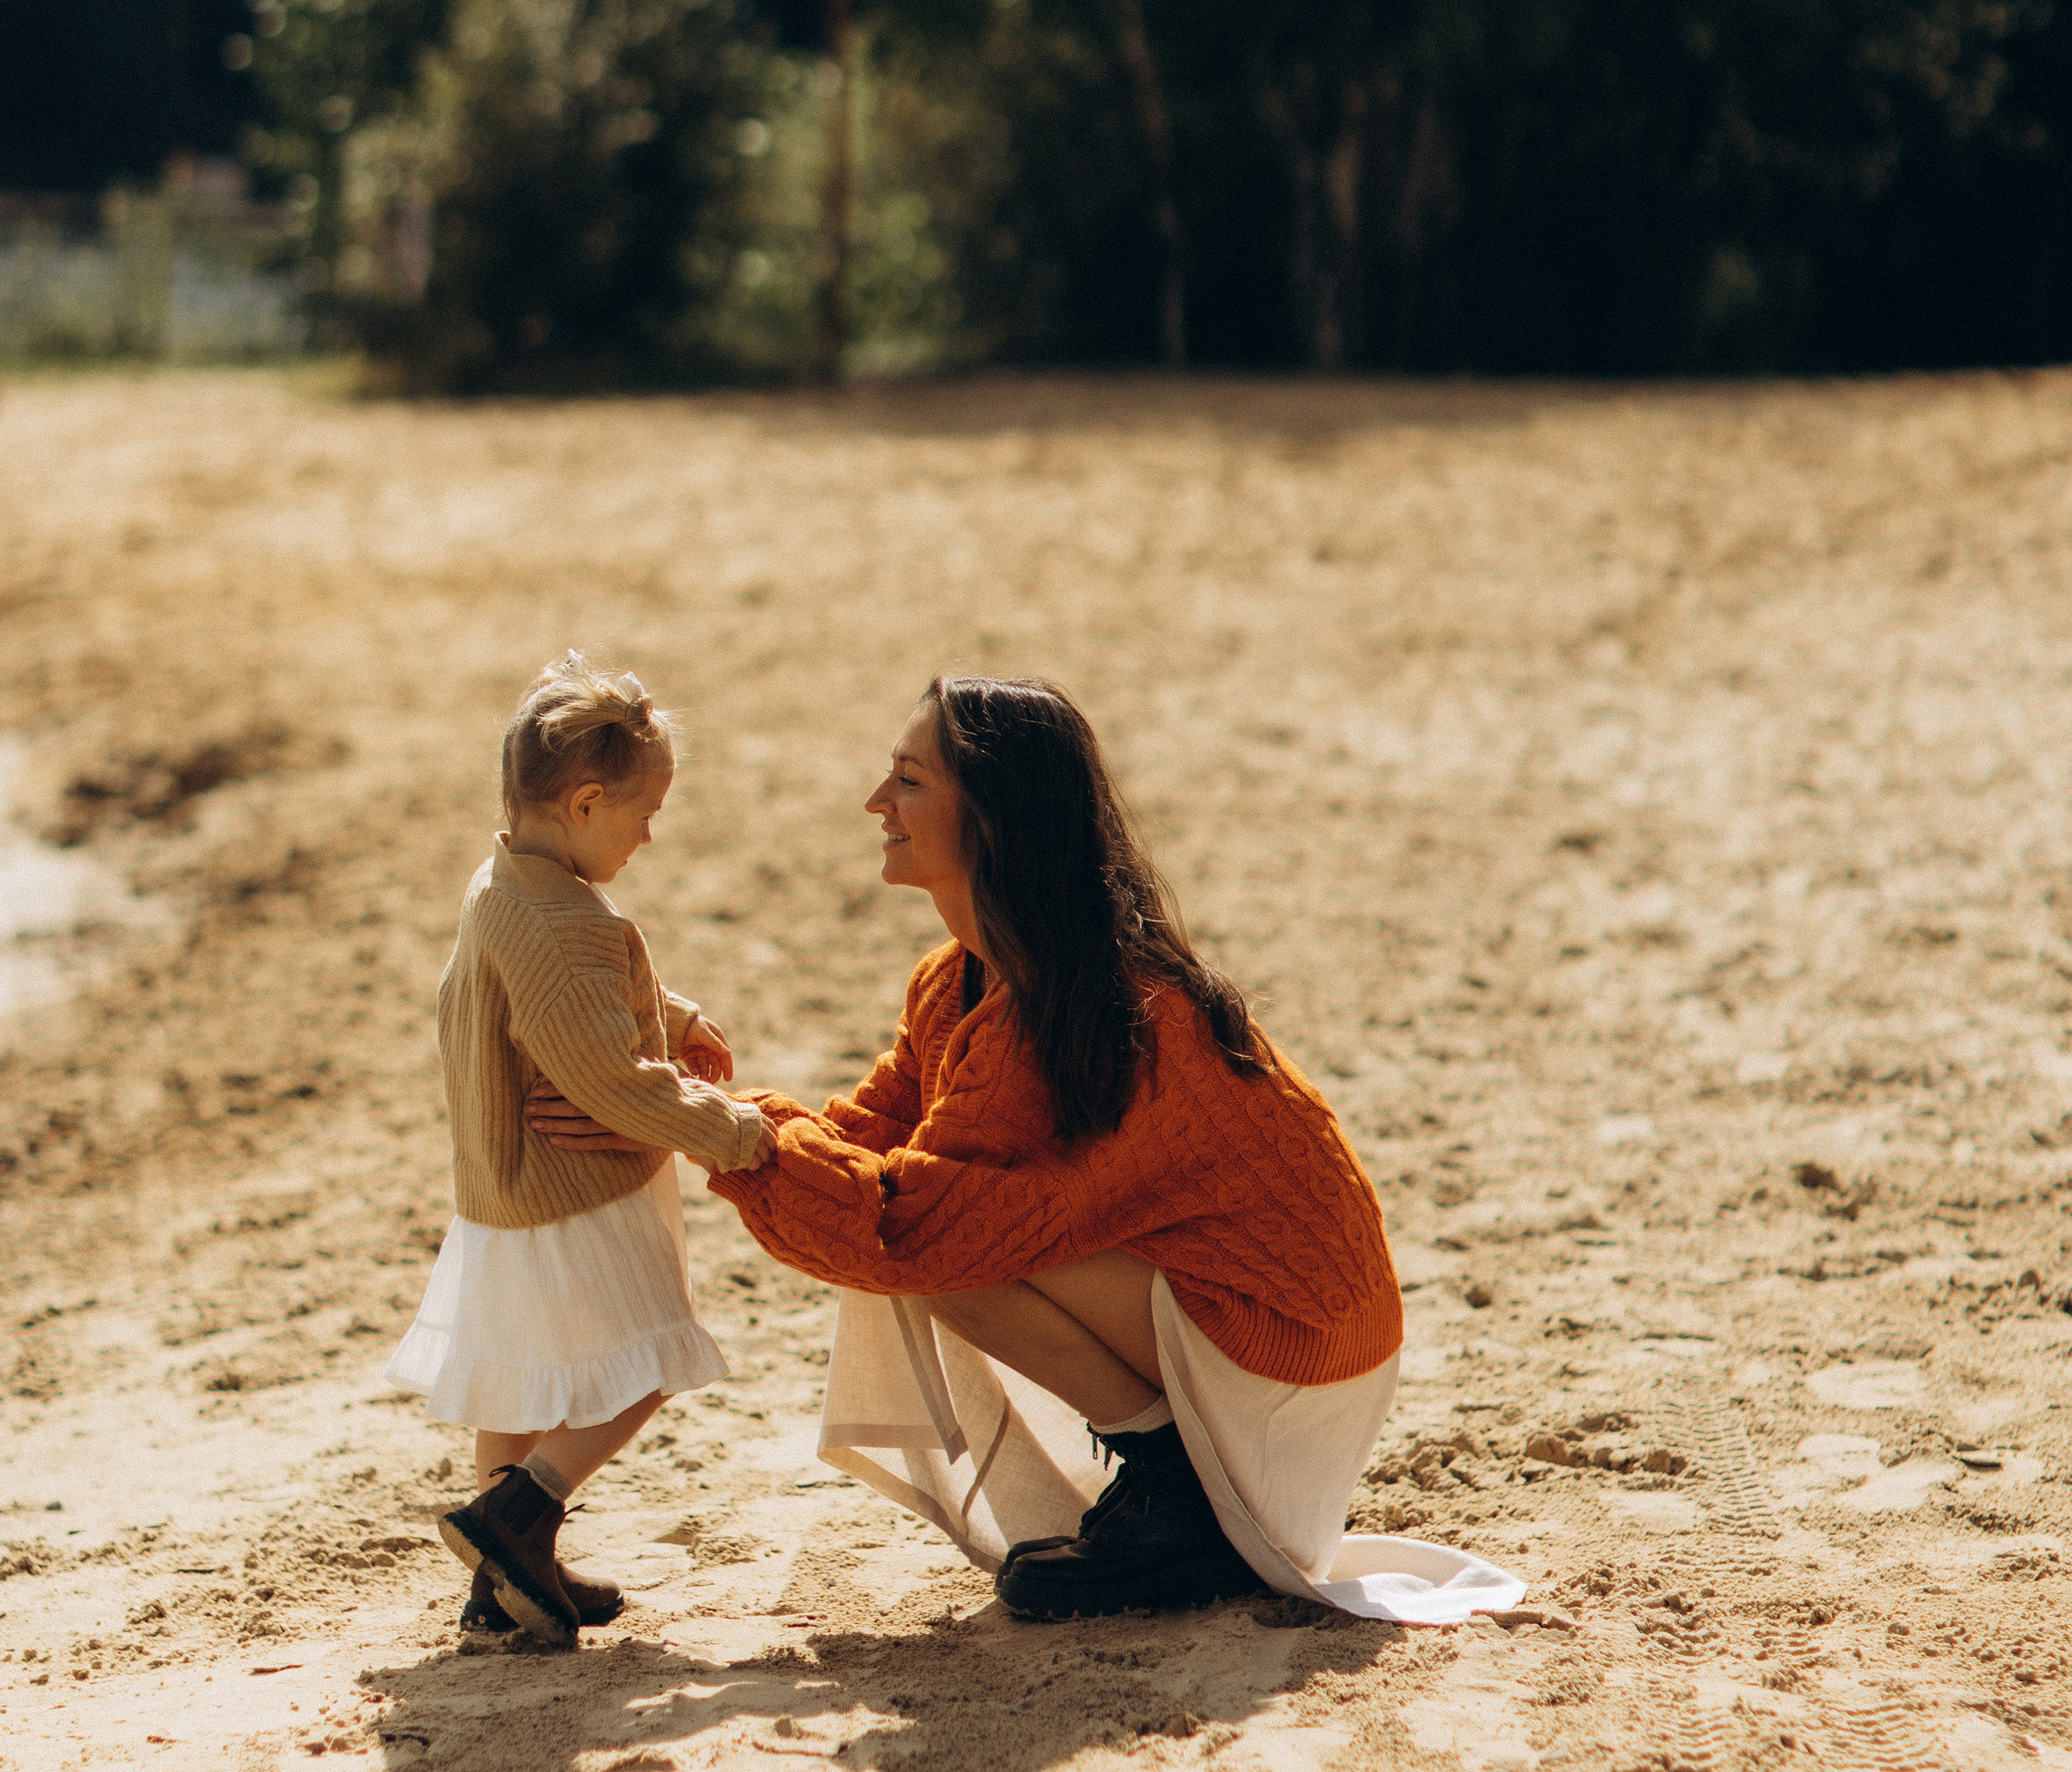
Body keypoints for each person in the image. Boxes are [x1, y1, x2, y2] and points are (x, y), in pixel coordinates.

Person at [528, 675, 1522, 1628]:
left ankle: (1177, 1506)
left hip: (1299, 1346)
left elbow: (907, 1221)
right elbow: (867, 1139)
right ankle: (1170, 1487)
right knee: (945, 1248)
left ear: (995, 818)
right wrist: (677, 1107)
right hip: (1239, 1316)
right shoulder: (959, 979)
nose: (876, 802)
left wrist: (715, 1126)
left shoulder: (1084, 1000)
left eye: (909, 780)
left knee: (948, 1261)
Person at [386, 650, 772, 1650]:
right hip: (577, 1192)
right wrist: (728, 1130)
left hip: (500, 1191)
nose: (648, 836)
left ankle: (502, 1582)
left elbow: (572, 994)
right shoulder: (562, 922)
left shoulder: (504, 883)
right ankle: (518, 1514)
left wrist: (669, 1014)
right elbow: (609, 1078)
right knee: (648, 1360)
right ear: (588, 803)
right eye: (645, 815)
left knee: (515, 1378)